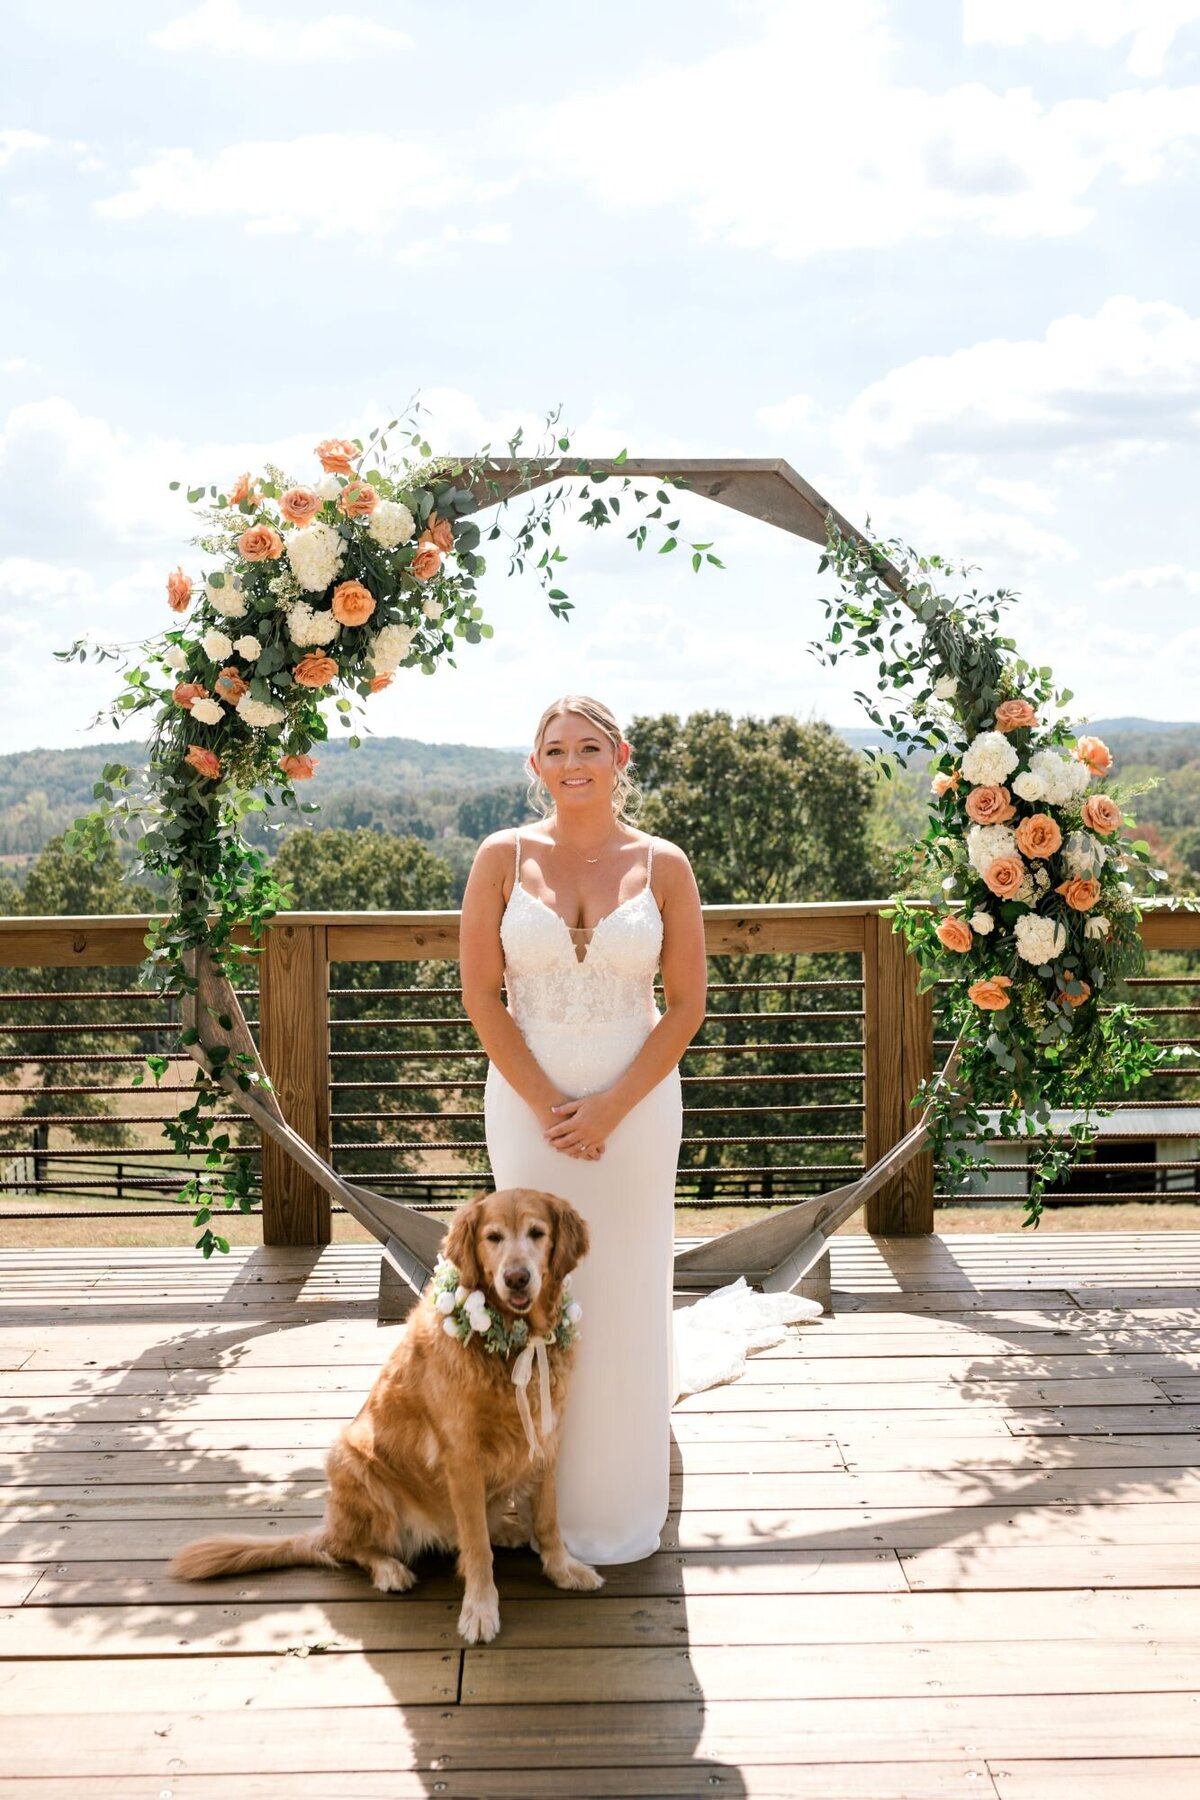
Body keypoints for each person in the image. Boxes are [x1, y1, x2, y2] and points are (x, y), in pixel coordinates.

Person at [459, 694, 707, 1565]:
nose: (573, 762)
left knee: (626, 1286)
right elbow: (481, 997)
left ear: (620, 756)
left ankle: (612, 1500)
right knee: (533, 1293)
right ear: (535, 766)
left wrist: (610, 1108)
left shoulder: (665, 863)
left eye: (589, 747)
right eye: (555, 749)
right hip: (526, 1109)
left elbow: (684, 1009)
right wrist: (542, 1102)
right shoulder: (500, 857)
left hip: (636, 1109)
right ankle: (523, 1491)